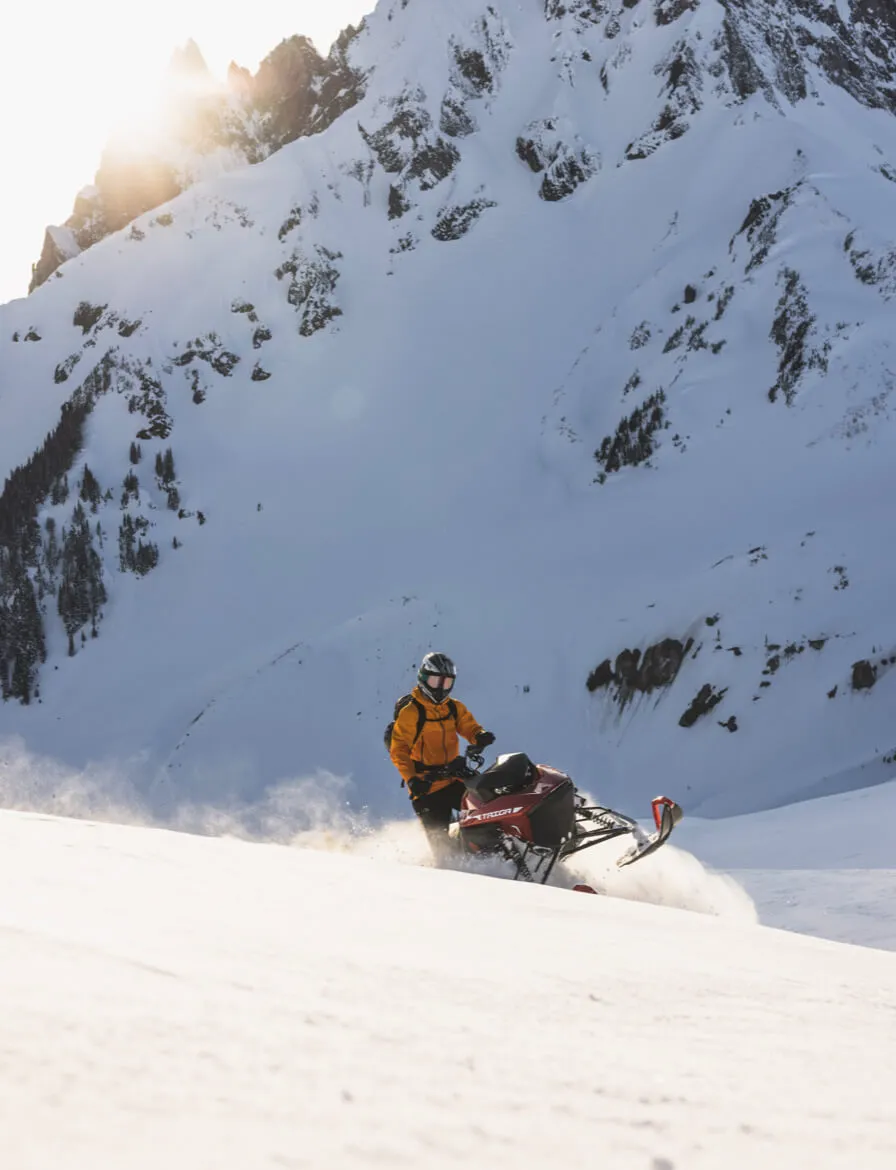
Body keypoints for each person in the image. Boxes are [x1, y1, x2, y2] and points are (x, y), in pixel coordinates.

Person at [389, 652, 495, 854]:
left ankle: (495, 855)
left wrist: (479, 736)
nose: (440, 688)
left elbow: (468, 725)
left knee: (490, 813)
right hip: (427, 787)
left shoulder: (453, 707)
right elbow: (399, 750)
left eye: (446, 683)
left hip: (455, 778)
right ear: (423, 678)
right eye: (436, 681)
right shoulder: (412, 712)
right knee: (443, 850)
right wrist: (412, 780)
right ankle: (453, 873)